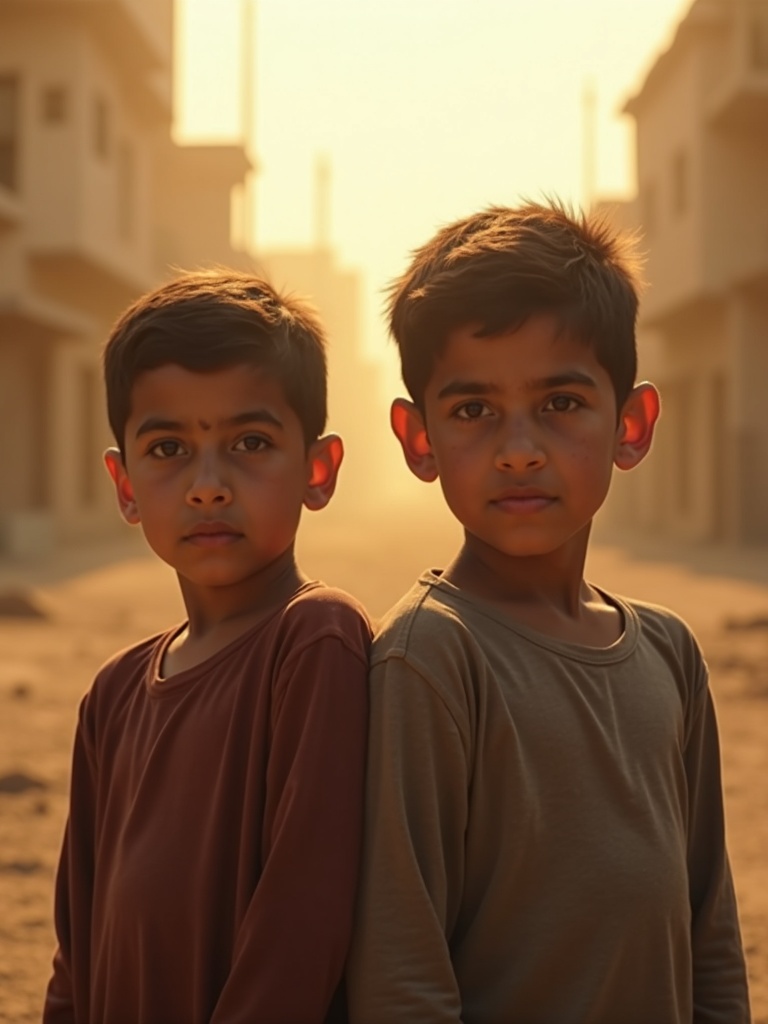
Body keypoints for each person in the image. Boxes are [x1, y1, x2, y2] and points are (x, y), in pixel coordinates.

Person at [346, 202, 750, 1023]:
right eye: (471, 410)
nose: (519, 447)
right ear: (418, 439)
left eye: (561, 403)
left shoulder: (670, 653)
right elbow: (403, 972)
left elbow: (709, 937)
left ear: (630, 426)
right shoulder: (431, 657)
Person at [44, 270, 372, 1024]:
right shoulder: (115, 694)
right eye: (168, 449)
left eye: (250, 442)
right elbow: (77, 952)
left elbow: (302, 926)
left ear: (317, 470)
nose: (207, 486)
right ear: (124, 484)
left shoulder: (316, 641)